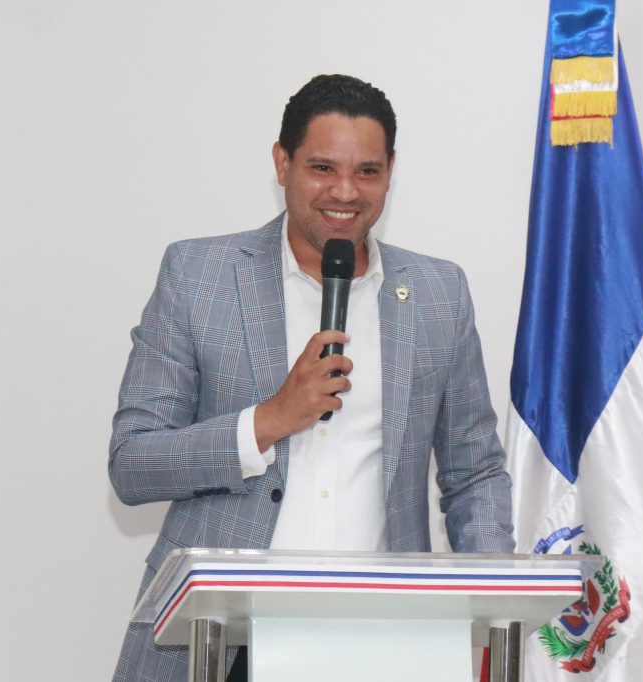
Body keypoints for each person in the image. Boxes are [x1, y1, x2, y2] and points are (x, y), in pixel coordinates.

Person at [110, 74, 514, 681]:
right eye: (323, 168)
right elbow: (132, 462)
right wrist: (269, 420)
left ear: (391, 171)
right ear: (282, 163)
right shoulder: (198, 276)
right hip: (222, 642)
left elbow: (474, 470)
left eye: (367, 171)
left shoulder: (439, 293)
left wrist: (495, 601)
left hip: (388, 642)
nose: (345, 192)